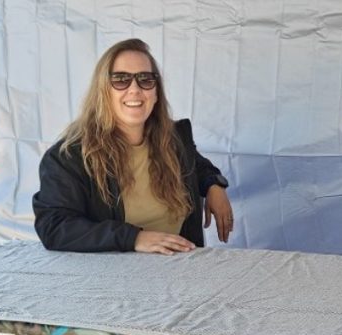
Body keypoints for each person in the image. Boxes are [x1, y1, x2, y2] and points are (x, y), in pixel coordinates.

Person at [33, 38, 233, 255]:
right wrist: (133, 238)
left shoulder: (174, 140)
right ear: (103, 91)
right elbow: (55, 226)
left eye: (145, 79)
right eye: (121, 79)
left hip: (181, 273)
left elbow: (197, 165)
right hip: (112, 279)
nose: (135, 89)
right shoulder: (69, 157)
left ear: (156, 93)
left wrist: (214, 185)